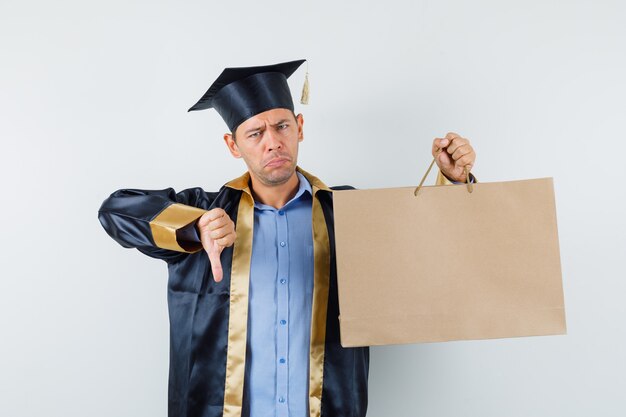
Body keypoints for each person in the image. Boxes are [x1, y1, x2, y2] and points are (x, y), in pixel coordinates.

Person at [98, 59, 476, 417]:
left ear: (299, 127)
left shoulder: (347, 213)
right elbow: (113, 211)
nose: (272, 142)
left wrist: (454, 182)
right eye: (255, 133)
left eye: (281, 126)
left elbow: (425, 253)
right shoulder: (205, 214)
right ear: (233, 145)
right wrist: (194, 228)